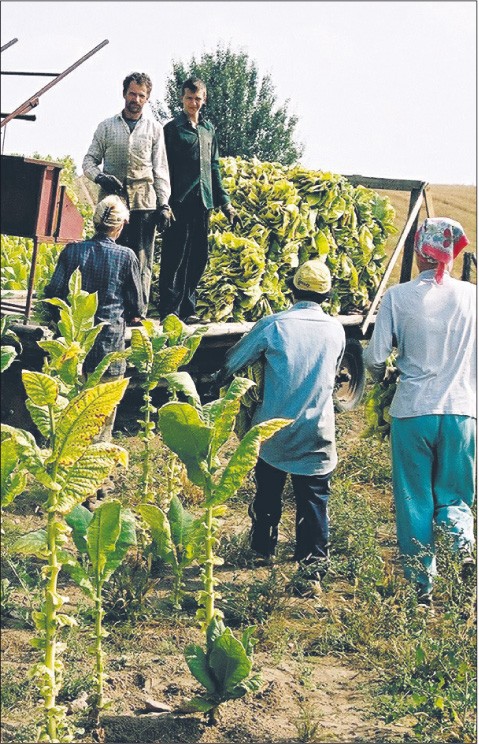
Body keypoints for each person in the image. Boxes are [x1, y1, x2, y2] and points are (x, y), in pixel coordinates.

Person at [363, 217, 476, 608]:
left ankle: (421, 590)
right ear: (454, 250)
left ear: (418, 249)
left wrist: (382, 374)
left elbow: (376, 356)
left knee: (414, 499)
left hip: (413, 412)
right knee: (456, 495)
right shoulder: (473, 298)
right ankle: (462, 546)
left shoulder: (398, 296)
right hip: (462, 411)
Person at [219, 259, 346, 596]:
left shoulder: (274, 325)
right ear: (327, 294)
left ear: (292, 290)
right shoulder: (336, 329)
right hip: (317, 431)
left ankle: (262, 549)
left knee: (268, 491)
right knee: (314, 500)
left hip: (272, 431)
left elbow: (233, 361)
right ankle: (311, 572)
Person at [44, 194, 146, 448]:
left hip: (74, 347)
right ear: (120, 225)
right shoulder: (127, 256)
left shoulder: (73, 251)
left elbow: (54, 291)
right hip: (108, 346)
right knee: (102, 413)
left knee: (74, 414)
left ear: (95, 221)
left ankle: (71, 466)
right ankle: (99, 479)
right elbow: (137, 306)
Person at [83, 71, 171, 305]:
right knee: (109, 255)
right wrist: (101, 178)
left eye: (142, 95)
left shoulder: (154, 129)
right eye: (132, 94)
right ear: (124, 94)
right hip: (113, 204)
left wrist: (164, 204)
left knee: (142, 259)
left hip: (144, 203)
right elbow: (88, 161)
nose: (136, 99)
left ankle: (137, 311)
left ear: (147, 98)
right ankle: (107, 306)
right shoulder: (107, 127)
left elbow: (160, 169)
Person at [158, 77, 239, 324]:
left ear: (204, 100)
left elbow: (214, 167)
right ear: (182, 99)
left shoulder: (208, 130)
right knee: (175, 257)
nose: (193, 103)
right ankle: (169, 312)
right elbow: (163, 167)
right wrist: (164, 202)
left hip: (203, 202)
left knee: (198, 257)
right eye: (189, 98)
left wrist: (225, 203)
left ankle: (188, 310)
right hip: (179, 202)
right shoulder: (172, 129)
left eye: (198, 99)